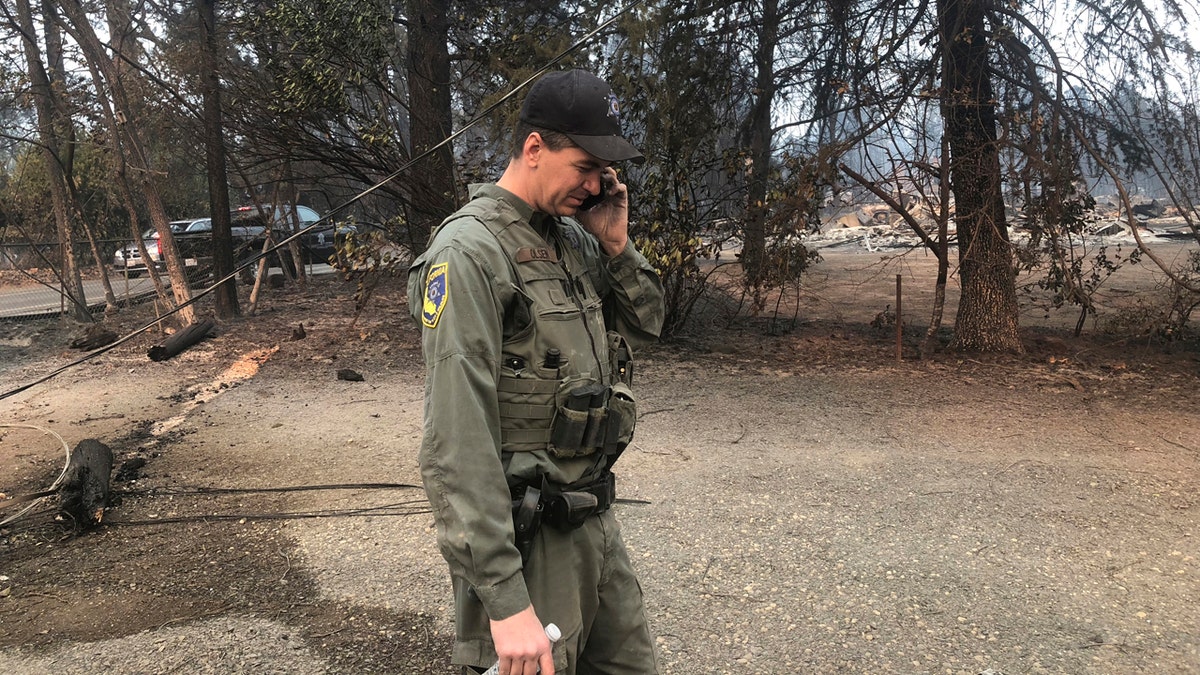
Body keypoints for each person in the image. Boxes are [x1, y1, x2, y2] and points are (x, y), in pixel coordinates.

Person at [408, 69, 665, 675]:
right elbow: (454, 439)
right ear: (533, 149)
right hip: (532, 540)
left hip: (594, 525)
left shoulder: (573, 240)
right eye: (585, 165)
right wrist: (504, 599)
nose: (597, 182)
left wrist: (617, 245)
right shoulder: (468, 253)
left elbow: (650, 321)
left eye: (605, 170)